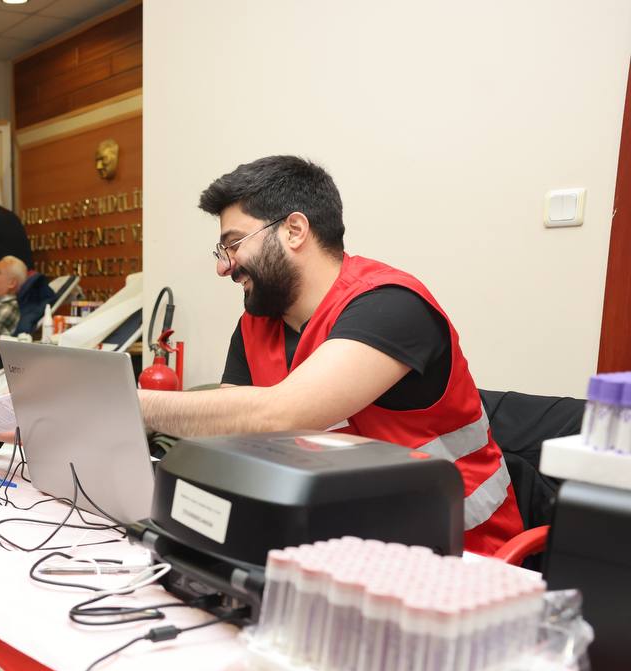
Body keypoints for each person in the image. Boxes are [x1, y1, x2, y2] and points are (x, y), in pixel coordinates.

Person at [138, 155, 523, 555]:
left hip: (460, 553)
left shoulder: (391, 305)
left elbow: (281, 414)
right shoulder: (255, 326)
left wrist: (135, 404)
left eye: (234, 244)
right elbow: (230, 431)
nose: (224, 267)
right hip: (337, 544)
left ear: (294, 230)